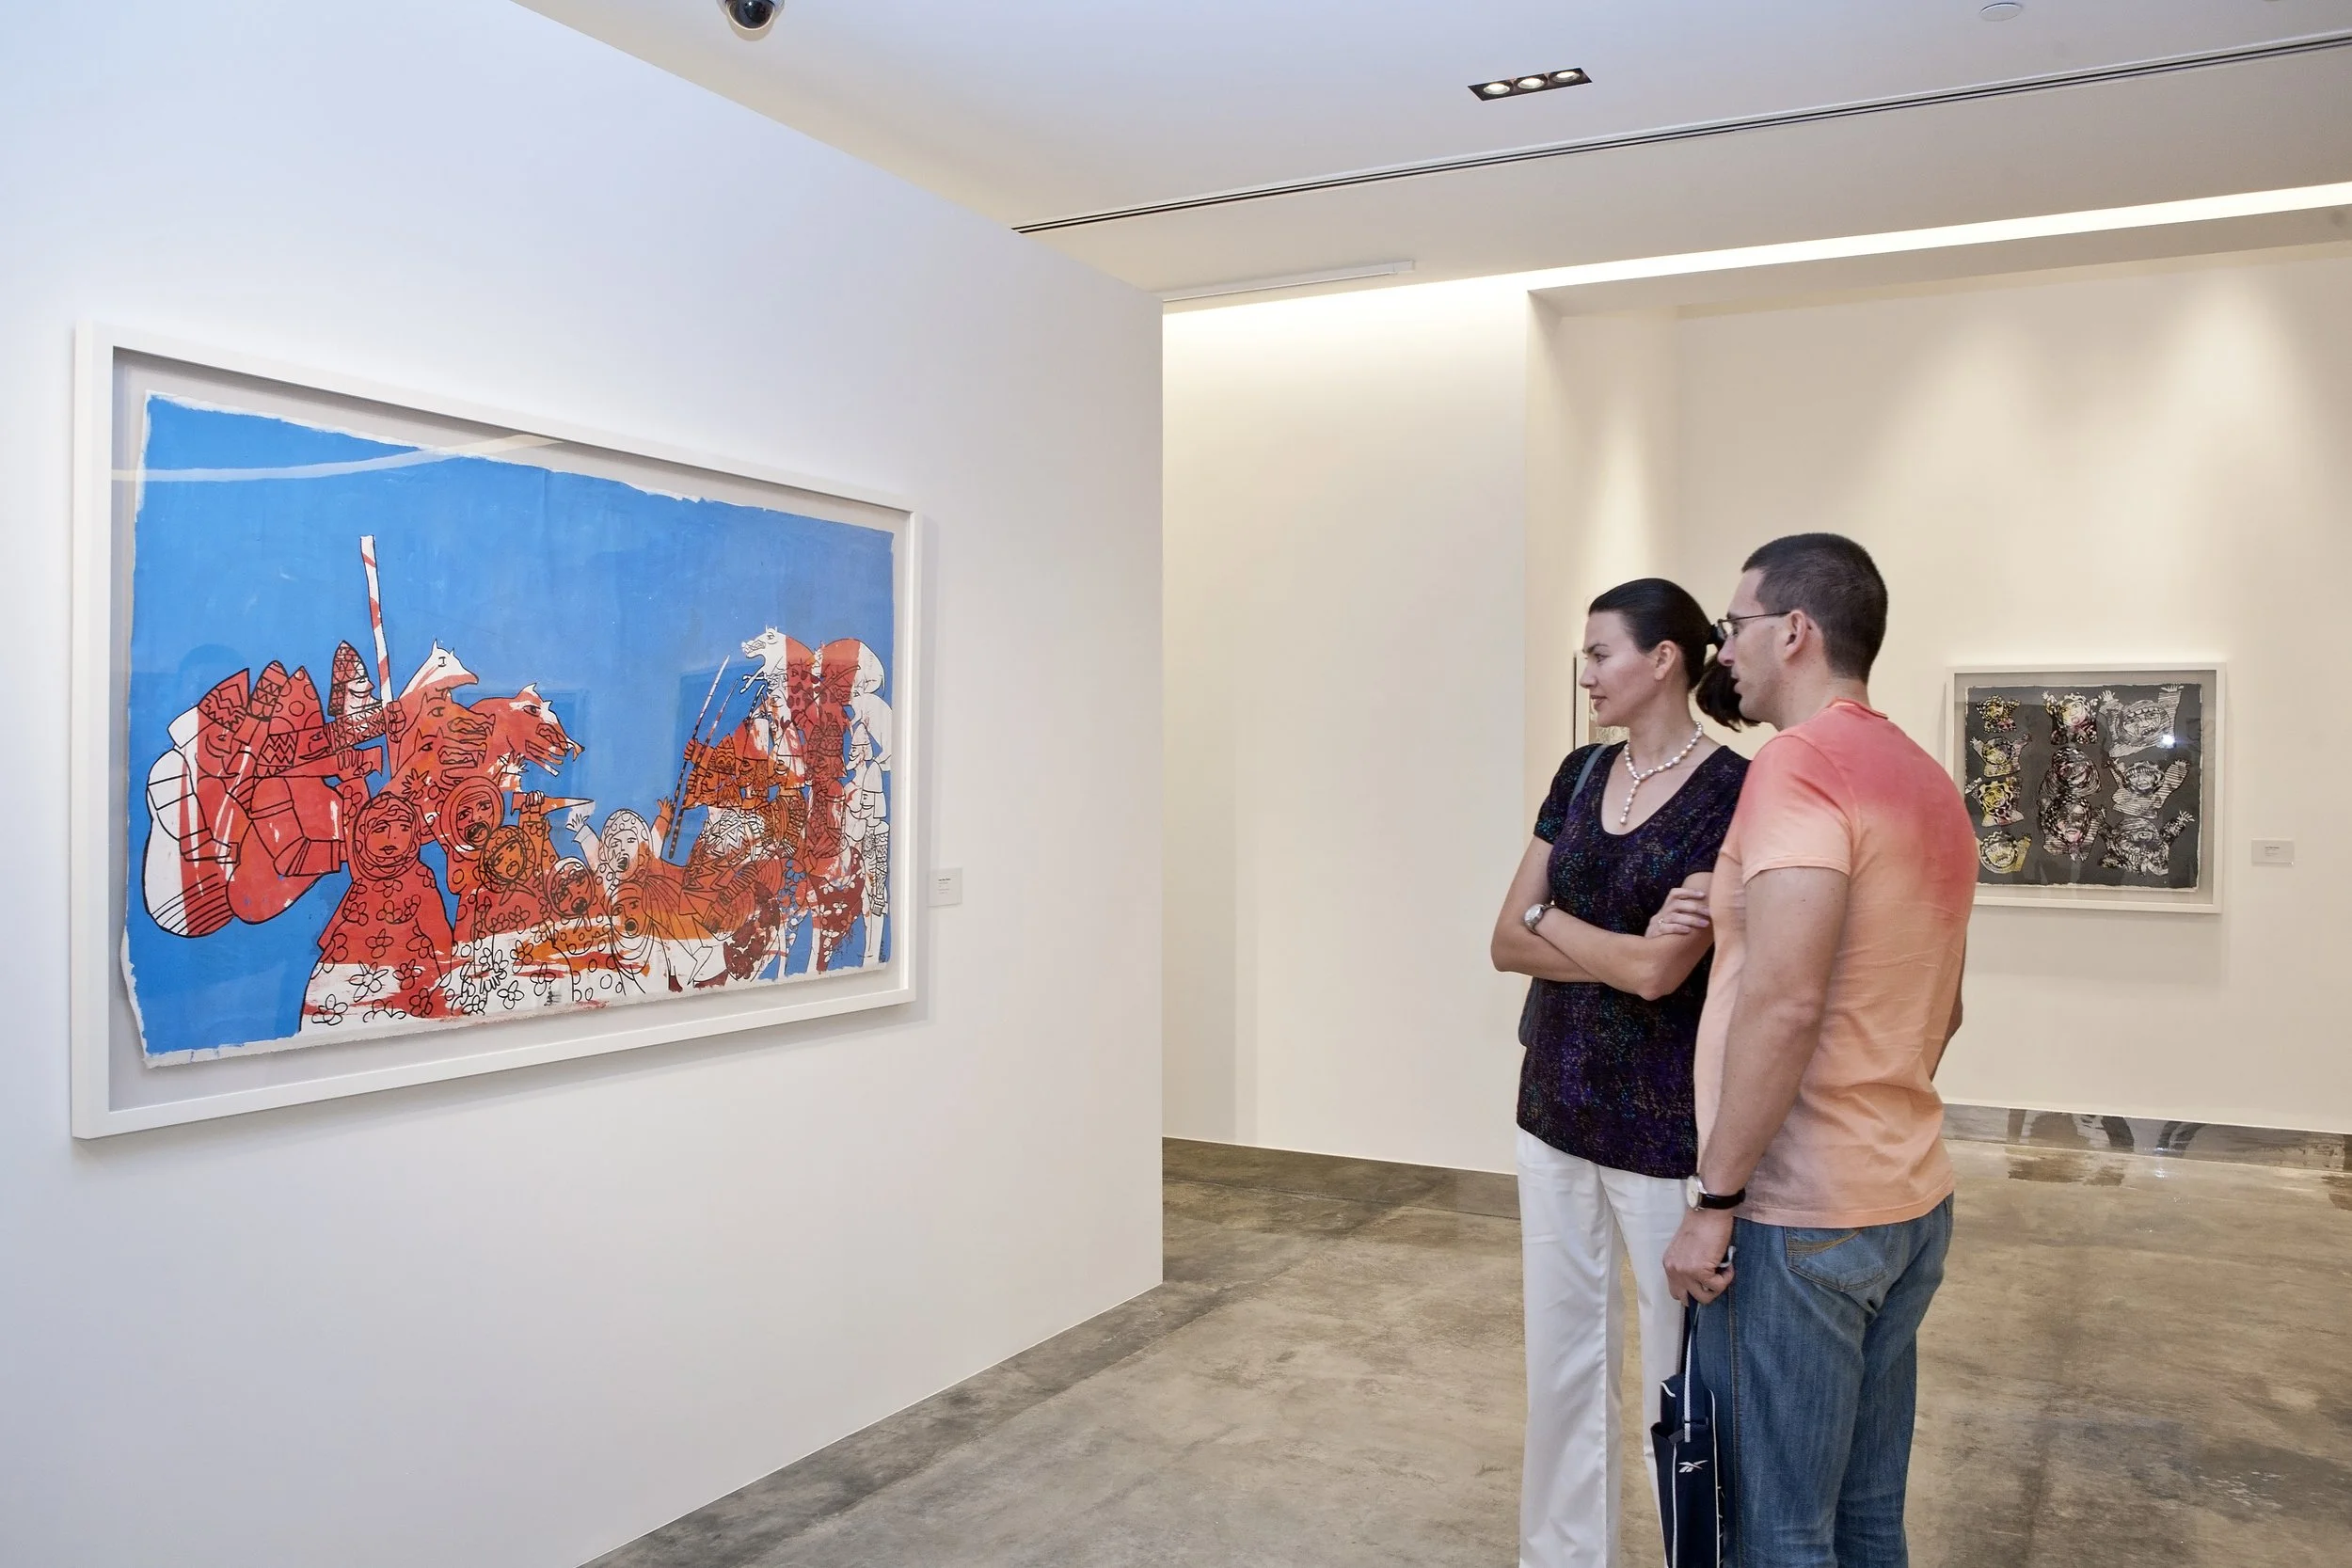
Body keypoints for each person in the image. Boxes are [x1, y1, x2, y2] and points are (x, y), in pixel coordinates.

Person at [1659, 534, 1977, 1568]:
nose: (1725, 652)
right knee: (1865, 1515)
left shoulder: (1799, 764)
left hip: (1802, 1214)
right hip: (1906, 1197)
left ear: (1793, 630)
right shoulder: (1923, 778)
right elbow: (1949, 1004)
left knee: (1779, 1531)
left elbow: (1784, 1001)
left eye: (1733, 626)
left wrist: (1715, 1203)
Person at [1489, 578, 1750, 1568]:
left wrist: (1552, 920)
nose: (1587, 671)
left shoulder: (1732, 788)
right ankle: (1558, 1554)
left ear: (1664, 659)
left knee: (1678, 1376)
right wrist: (1585, 936)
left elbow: (1662, 973)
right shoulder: (1578, 769)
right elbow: (1506, 940)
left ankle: (1696, 1553)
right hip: (1551, 1103)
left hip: (1662, 1125)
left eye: (1601, 652)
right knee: (1560, 1358)